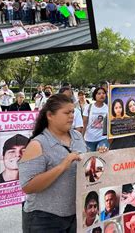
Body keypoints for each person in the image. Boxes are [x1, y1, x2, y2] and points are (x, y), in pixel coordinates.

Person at [19, 94, 87, 232]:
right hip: (44, 218)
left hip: (75, 214)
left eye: (73, 112)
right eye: (66, 112)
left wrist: (99, 155)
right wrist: (62, 166)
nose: (71, 116)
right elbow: (28, 187)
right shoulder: (38, 144)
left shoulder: (78, 136)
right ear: (50, 115)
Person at [83, 87, 109, 152]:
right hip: (89, 139)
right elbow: (84, 123)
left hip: (103, 138)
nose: (102, 95)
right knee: (91, 159)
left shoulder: (108, 108)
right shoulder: (88, 107)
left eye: (103, 93)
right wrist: (81, 137)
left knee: (102, 157)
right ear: (95, 95)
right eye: (99, 93)